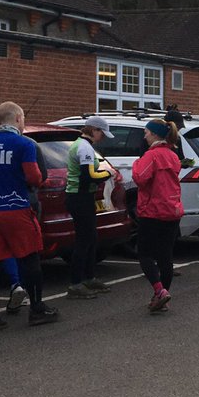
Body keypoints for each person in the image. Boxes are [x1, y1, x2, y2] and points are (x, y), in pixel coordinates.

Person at [0, 101, 58, 331]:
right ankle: (37, 310)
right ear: (18, 118)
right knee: (29, 259)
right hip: (17, 208)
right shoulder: (23, 144)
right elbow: (33, 176)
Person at [132, 118, 184, 313]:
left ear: (154, 134)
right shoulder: (172, 155)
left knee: (144, 254)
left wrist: (138, 161)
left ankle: (159, 291)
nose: (144, 136)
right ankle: (162, 295)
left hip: (153, 211)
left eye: (145, 132)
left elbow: (140, 178)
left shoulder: (152, 155)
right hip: (173, 210)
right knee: (165, 256)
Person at [65, 115, 121, 298]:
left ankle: (89, 277)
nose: (103, 137)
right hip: (79, 196)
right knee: (83, 240)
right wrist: (109, 172)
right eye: (102, 133)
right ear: (94, 130)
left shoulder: (83, 145)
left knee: (91, 238)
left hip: (83, 197)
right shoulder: (84, 147)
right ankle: (75, 284)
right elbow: (88, 175)